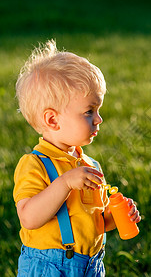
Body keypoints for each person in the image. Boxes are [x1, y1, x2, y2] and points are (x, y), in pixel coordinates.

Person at [13, 39, 141, 276]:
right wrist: (64, 183)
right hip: (49, 266)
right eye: (89, 111)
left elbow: (94, 222)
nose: (98, 119)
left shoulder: (89, 165)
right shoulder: (34, 164)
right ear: (52, 120)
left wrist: (113, 217)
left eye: (98, 110)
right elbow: (29, 217)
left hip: (90, 265)